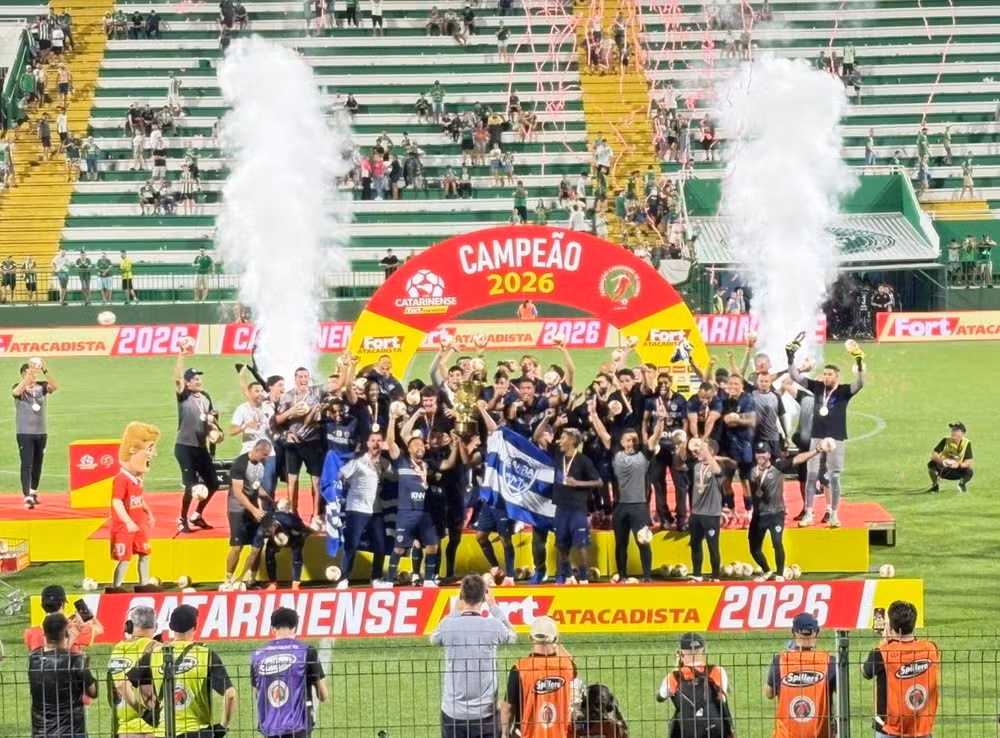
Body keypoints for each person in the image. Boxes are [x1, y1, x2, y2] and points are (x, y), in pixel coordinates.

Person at [788, 340, 866, 528]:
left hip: (836, 438)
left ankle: (834, 515)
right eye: (824, 373)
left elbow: (860, 383)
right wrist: (790, 357)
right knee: (811, 475)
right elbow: (795, 376)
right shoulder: (816, 387)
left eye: (829, 374)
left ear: (837, 376)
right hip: (817, 436)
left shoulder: (844, 391)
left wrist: (858, 362)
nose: (826, 376)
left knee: (834, 477)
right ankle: (808, 513)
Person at [129, 604, 237, 736]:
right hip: (197, 732)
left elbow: (122, 684)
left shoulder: (154, 655)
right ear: (195, 626)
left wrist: (143, 711)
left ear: (171, 627)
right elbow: (230, 694)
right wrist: (222, 727)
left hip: (164, 732)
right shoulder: (206, 655)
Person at [430, 574, 517, 737]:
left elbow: (433, 638)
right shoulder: (493, 626)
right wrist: (494, 607)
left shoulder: (448, 625)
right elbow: (512, 635)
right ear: (484, 597)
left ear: (461, 596)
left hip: (453, 712)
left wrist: (455, 611)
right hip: (485, 714)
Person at [591, 402, 662, 582]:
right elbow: (602, 433)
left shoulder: (644, 454)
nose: (631, 443)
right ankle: (622, 575)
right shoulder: (615, 452)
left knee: (643, 542)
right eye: (628, 440)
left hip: (639, 507)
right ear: (622, 443)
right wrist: (593, 414)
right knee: (620, 544)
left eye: (634, 440)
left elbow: (655, 437)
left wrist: (661, 420)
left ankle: (647, 577)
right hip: (620, 506)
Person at [862, 601, 939, 738]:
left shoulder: (882, 652)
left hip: (890, 729)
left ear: (891, 627)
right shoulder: (931, 649)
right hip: (921, 728)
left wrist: (885, 642)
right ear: (913, 624)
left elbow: (865, 672)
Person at [748, 441, 820, 582]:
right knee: (754, 548)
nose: (760, 455)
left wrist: (816, 450)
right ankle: (767, 571)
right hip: (759, 515)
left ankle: (780, 574)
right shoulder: (752, 470)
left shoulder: (778, 467)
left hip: (775, 513)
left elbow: (798, 459)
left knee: (777, 542)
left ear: (769, 454)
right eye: (758, 453)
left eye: (763, 453)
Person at [250, 607, 328, 738]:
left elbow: (257, 693)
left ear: (272, 628)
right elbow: (323, 695)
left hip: (270, 727)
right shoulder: (306, 651)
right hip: (298, 728)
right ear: (295, 627)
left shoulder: (257, 655)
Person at [764, 612, 836, 738]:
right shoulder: (830, 662)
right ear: (817, 632)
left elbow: (769, 693)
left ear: (793, 632)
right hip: (820, 734)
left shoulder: (780, 660)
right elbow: (841, 694)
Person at [502, 617, 577, 738]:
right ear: (555, 638)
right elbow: (570, 661)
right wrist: (556, 642)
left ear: (530, 638)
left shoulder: (520, 668)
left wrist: (504, 734)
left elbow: (508, 708)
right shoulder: (567, 667)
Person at [28, 613, 99, 738]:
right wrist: (85, 668)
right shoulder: (76, 661)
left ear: (44, 634)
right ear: (66, 633)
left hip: (42, 731)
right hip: (71, 730)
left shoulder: (33, 660)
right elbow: (93, 692)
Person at [173, 351, 221, 532]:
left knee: (213, 483)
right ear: (187, 383)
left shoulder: (206, 397)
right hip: (185, 447)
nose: (198, 381)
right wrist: (181, 354)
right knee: (191, 486)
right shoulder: (184, 395)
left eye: (199, 378)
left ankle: (197, 515)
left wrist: (214, 431)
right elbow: (177, 378)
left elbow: (210, 421)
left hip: (200, 447)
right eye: (194, 379)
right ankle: (182, 518)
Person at [110, 423, 160, 588]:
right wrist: (128, 522)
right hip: (124, 528)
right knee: (124, 559)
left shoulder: (137, 479)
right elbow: (116, 501)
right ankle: (116, 587)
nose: (153, 454)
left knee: (145, 553)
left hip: (138, 526)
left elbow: (138, 498)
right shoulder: (121, 479)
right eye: (150, 449)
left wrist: (148, 512)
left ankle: (143, 584)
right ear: (132, 450)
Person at [338, 431, 391, 588]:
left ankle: (376, 577)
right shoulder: (358, 461)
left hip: (376, 509)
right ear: (368, 443)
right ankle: (344, 578)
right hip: (357, 508)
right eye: (373, 440)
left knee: (380, 545)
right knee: (351, 544)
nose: (376, 443)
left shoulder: (385, 463)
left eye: (379, 441)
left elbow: (396, 477)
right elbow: (339, 474)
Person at [656, 632, 733, 738]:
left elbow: (660, 696)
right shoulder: (717, 671)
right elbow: (722, 700)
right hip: (715, 729)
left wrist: (676, 667)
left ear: (680, 653)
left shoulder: (674, 677)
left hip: (688, 732)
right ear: (704, 650)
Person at [12, 359, 59, 509]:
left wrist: (45, 370)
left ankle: (33, 492)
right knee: (27, 464)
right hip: (25, 433)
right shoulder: (19, 388)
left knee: (38, 464)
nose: (32, 376)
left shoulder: (41, 387)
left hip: (41, 432)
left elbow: (55, 386)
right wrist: (29, 375)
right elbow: (16, 392)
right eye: (28, 374)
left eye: (33, 374)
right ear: (23, 375)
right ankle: (26, 497)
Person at [225, 439, 272, 585]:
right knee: (236, 546)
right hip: (237, 510)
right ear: (257, 450)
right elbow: (238, 493)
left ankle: (252, 579)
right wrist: (255, 510)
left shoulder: (260, 465)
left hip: (252, 508)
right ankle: (228, 580)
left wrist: (271, 501)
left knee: (257, 544)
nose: (266, 458)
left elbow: (256, 487)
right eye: (264, 455)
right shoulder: (240, 464)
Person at [107, 605, 158, 738]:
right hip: (151, 726)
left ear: (129, 626)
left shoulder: (117, 650)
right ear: (155, 626)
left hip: (122, 729)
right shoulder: (156, 649)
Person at [23, 584, 102, 652]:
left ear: (42, 605)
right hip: (70, 665)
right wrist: (90, 616)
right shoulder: (75, 628)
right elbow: (99, 629)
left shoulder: (29, 634)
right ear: (62, 604)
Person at [688, 440, 725, 582]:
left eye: (702, 449)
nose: (699, 451)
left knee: (712, 546)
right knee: (695, 544)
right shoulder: (696, 466)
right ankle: (697, 574)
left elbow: (717, 471)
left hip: (711, 514)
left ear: (711, 452)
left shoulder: (717, 466)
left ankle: (715, 576)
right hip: (696, 513)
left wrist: (707, 452)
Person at [927, 421, 973, 493]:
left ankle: (961, 485)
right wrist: (943, 461)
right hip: (943, 469)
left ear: (962, 433)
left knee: (969, 471)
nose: (953, 432)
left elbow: (968, 462)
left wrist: (958, 465)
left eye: (956, 430)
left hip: (956, 470)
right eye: (952, 430)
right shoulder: (946, 440)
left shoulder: (966, 443)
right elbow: (933, 455)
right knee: (931, 464)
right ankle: (935, 486)